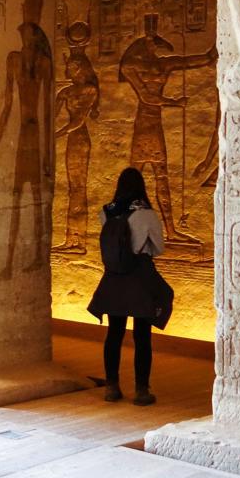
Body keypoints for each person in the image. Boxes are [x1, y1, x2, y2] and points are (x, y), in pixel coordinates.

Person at [87, 167, 171, 406]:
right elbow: (159, 248)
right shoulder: (146, 214)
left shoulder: (107, 212)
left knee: (114, 334)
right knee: (142, 336)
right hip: (139, 278)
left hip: (113, 278)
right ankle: (141, 390)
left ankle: (112, 387)